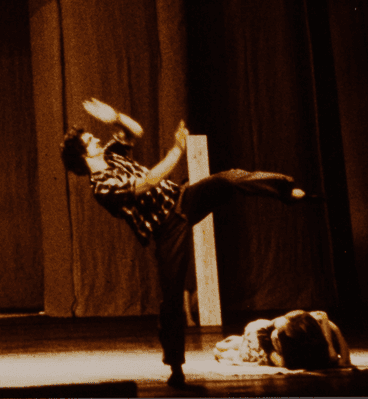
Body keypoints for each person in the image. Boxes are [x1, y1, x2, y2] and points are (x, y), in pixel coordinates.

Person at [60, 98, 316, 387]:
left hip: (182, 199)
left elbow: (135, 132)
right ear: (83, 156)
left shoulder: (112, 155)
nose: (96, 138)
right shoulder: (102, 187)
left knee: (229, 179)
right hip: (166, 229)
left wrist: (115, 117)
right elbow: (149, 182)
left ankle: (286, 189)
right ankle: (176, 367)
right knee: (171, 298)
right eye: (89, 140)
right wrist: (177, 150)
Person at [214, 309, 350, 369]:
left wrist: (333, 349)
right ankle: (239, 341)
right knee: (246, 343)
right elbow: (323, 315)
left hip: (265, 341)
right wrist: (331, 347)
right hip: (260, 329)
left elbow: (343, 359)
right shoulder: (287, 325)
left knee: (230, 350)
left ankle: (239, 342)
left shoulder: (292, 358)